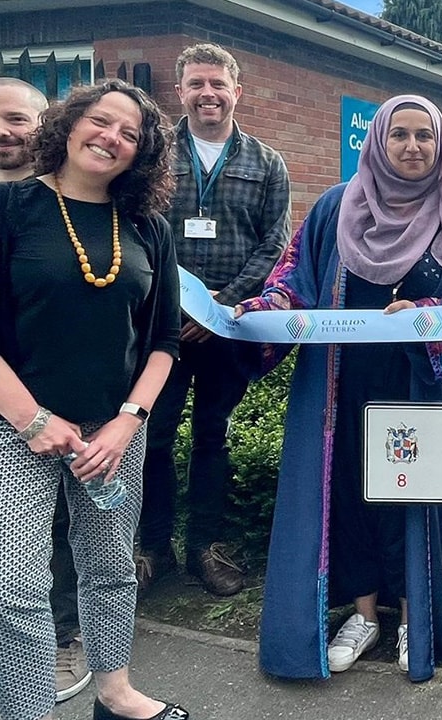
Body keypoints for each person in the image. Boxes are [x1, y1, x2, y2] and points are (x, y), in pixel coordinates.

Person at [240, 96, 442, 678]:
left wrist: (428, 313)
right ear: (377, 141)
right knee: (345, 490)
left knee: (409, 495)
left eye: (424, 137)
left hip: (414, 384)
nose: (411, 147)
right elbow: (295, 277)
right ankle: (363, 615)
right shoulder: (335, 207)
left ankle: (413, 618)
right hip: (337, 384)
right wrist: (270, 306)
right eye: (398, 135)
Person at [0, 79, 187, 720]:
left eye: (130, 134)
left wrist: (128, 422)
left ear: (142, 154)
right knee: (17, 583)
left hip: (113, 434)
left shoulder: (148, 228)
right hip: (18, 427)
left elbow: (163, 340)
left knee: (109, 567)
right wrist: (32, 419)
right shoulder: (11, 208)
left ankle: (114, 692)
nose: (111, 138)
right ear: (69, 124)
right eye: (101, 122)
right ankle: (26, 709)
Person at [137, 43, 291, 598]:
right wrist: (177, 305)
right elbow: (134, 233)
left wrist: (223, 306)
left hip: (229, 327)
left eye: (218, 84)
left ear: (236, 92)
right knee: (152, 435)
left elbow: (275, 244)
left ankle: (205, 545)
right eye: (197, 84)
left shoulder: (267, 163)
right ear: (180, 91)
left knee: (212, 436)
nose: (208, 93)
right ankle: (153, 546)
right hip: (163, 325)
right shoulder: (152, 155)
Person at [0, 77, 95, 704]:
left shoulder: (62, 208)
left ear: (48, 129)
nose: (3, 132)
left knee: (50, 534)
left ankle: (60, 643)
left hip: (43, 408)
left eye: (17, 119)